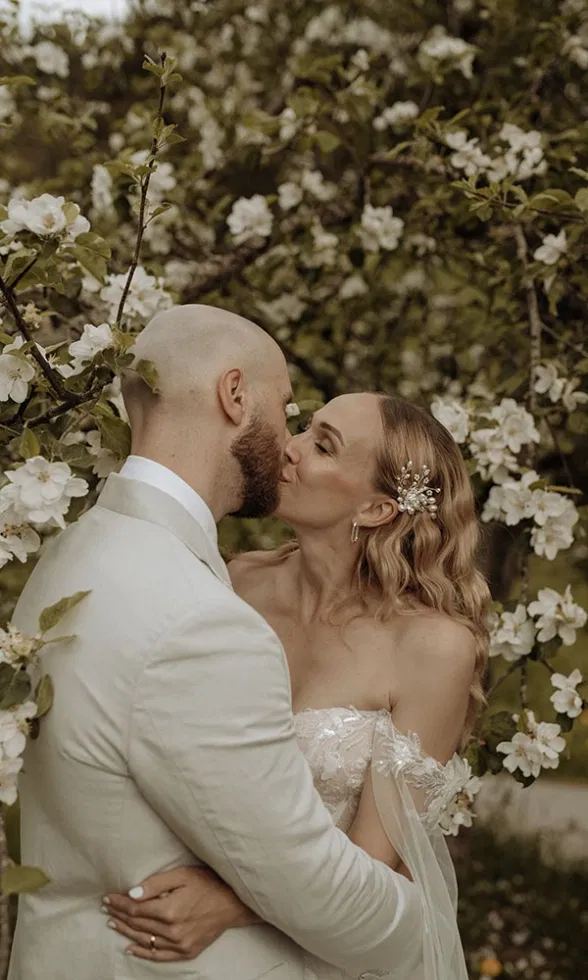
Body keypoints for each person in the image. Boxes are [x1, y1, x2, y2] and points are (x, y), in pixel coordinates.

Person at [8, 305, 426, 980]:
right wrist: (423, 925)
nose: (287, 440)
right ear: (235, 396)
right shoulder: (203, 622)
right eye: (287, 409)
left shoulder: (69, 555)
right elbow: (307, 882)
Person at [104, 390, 491, 980]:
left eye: (323, 446)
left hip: (326, 950)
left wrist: (234, 903)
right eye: (306, 428)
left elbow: (374, 865)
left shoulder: (432, 649)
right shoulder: (232, 584)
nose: (288, 447)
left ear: (376, 510)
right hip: (182, 938)